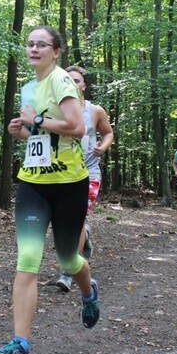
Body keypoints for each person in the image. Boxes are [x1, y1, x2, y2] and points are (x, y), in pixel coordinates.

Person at [0, 26, 99, 354]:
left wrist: (35, 119)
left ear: (56, 51)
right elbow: (36, 134)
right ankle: (21, 345)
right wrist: (21, 131)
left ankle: (88, 292)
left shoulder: (62, 82)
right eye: (30, 44)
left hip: (69, 183)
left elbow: (76, 127)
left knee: (69, 260)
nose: (34, 49)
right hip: (33, 183)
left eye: (42, 44)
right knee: (28, 260)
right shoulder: (28, 87)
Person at [55, 66, 115, 292]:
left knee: (76, 219)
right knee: (64, 222)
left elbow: (108, 132)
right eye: (67, 80)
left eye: (76, 80)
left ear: (83, 85)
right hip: (62, 173)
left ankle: (68, 271)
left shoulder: (95, 110)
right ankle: (85, 237)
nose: (72, 83)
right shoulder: (57, 109)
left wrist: (103, 146)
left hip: (89, 173)